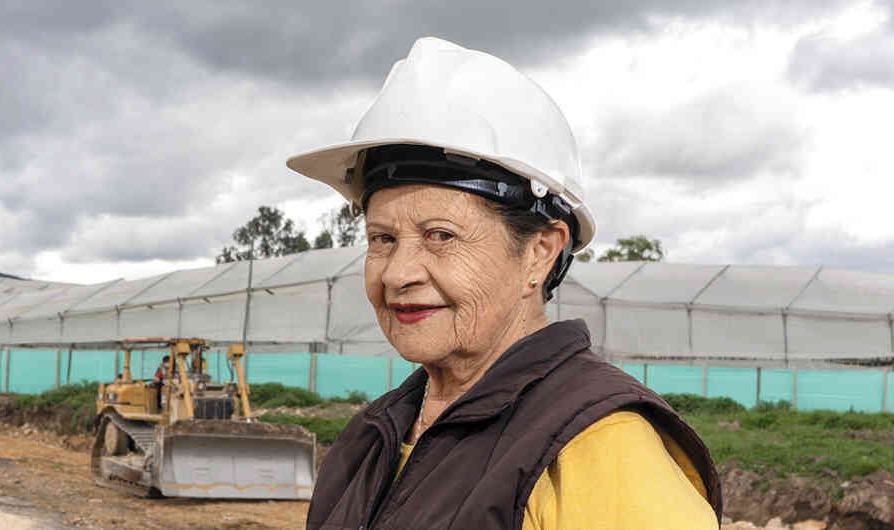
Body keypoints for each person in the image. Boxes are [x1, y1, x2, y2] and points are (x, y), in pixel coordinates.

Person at [287, 37, 721, 529]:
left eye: (440, 236)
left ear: (539, 252)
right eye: (383, 238)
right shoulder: (372, 437)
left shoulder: (599, 448)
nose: (397, 273)